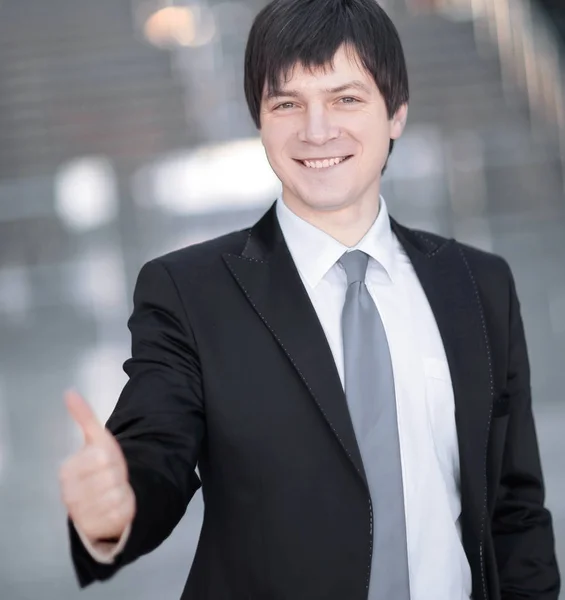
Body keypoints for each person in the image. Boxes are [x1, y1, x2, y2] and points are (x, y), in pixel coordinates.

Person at [59, 0, 561, 598]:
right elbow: (155, 447)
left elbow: (514, 507)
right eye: (287, 103)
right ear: (260, 119)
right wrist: (116, 506)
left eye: (346, 99)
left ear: (395, 111)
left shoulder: (478, 286)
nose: (316, 129)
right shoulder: (190, 293)